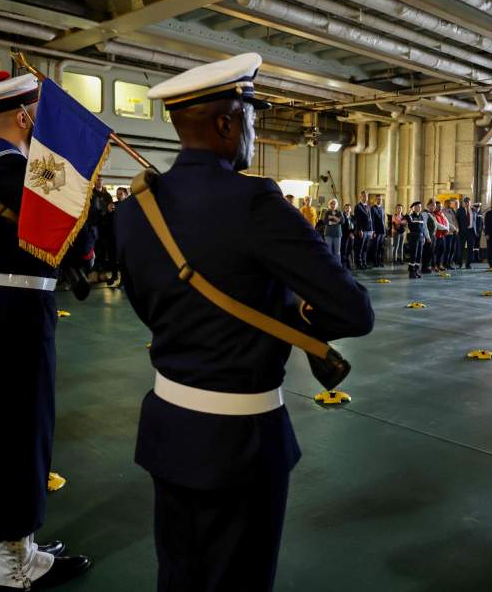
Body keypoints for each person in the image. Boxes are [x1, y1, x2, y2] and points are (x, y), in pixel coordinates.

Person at [114, 53, 373, 591]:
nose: (253, 132)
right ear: (228, 124)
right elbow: (353, 311)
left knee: (180, 577)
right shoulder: (255, 202)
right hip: (239, 440)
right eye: (251, 119)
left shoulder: (137, 207)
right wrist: (293, 313)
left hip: (168, 423)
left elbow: (145, 305)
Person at [0, 72, 94, 589]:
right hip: (14, 310)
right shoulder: (18, 166)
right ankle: (17, 564)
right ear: (27, 115)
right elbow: (77, 233)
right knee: (18, 431)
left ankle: (6, 548)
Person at [404, 200, 429, 279]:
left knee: (419, 255)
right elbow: (406, 218)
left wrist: (424, 237)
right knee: (413, 255)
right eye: (417, 207)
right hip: (413, 237)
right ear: (414, 208)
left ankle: (416, 271)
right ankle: (411, 272)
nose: (419, 208)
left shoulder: (421, 216)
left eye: (420, 206)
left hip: (421, 237)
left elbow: (423, 228)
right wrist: (409, 212)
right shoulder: (411, 215)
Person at [353, 190, 373, 269]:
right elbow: (357, 220)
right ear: (360, 197)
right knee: (360, 248)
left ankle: (364, 263)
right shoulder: (358, 206)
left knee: (365, 248)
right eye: (364, 196)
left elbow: (370, 219)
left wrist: (371, 230)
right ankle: (359, 263)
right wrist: (359, 230)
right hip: (362, 231)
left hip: (368, 231)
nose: (366, 197)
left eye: (367, 196)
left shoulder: (368, 206)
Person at [456, 196, 477, 268]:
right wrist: (457, 229)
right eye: (466, 202)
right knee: (461, 248)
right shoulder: (459, 210)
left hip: (471, 231)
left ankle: (468, 264)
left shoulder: (474, 210)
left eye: (469, 202)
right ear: (464, 203)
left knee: (470, 248)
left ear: (470, 203)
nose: (467, 203)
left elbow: (476, 221)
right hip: (462, 232)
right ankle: (460, 263)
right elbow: (457, 221)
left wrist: (477, 230)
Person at [431, 200, 449, 273]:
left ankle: (439, 265)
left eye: (441, 207)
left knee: (442, 250)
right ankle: (434, 266)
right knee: (435, 252)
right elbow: (437, 225)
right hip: (436, 236)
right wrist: (446, 228)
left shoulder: (441, 214)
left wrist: (447, 228)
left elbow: (447, 222)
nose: (440, 208)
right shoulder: (433, 214)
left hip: (442, 236)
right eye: (438, 206)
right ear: (435, 207)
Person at [442, 199, 458, 270]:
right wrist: (454, 228)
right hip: (448, 233)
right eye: (448, 203)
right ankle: (445, 264)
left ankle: (449, 263)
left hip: (454, 232)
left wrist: (457, 228)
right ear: (445, 204)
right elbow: (447, 222)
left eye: (450, 203)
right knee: (447, 249)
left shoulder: (452, 211)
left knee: (453, 249)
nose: (449, 205)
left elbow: (455, 220)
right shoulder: (443, 212)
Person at [370, 195, 386, 266]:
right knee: (375, 247)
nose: (379, 200)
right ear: (375, 200)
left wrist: (385, 231)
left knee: (380, 247)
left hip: (382, 231)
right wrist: (373, 231)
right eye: (378, 199)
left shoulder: (382, 209)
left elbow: (383, 220)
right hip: (376, 231)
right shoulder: (372, 208)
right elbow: (372, 220)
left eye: (380, 199)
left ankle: (380, 261)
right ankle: (375, 262)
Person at [340, 203, 355, 269]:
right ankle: (344, 265)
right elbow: (342, 227)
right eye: (346, 208)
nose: (347, 209)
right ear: (344, 209)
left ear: (350, 209)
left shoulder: (353, 217)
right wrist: (349, 233)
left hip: (351, 237)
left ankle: (350, 265)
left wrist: (353, 233)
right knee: (344, 251)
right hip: (344, 236)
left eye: (349, 208)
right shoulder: (342, 217)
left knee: (350, 250)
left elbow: (355, 226)